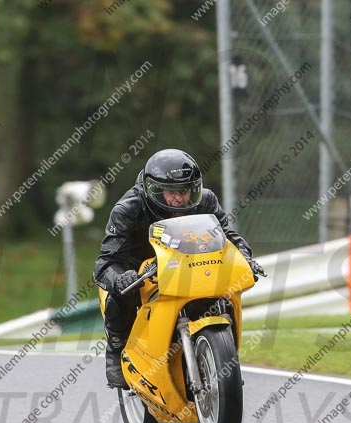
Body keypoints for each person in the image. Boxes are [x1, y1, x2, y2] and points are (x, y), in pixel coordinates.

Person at [93, 148, 264, 388]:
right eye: (171, 192)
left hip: (186, 261)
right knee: (121, 295)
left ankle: (226, 361)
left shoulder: (206, 200)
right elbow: (105, 262)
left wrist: (245, 255)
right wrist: (121, 278)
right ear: (154, 189)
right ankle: (116, 348)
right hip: (138, 266)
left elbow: (226, 235)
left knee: (223, 293)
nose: (179, 199)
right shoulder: (128, 209)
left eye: (184, 192)